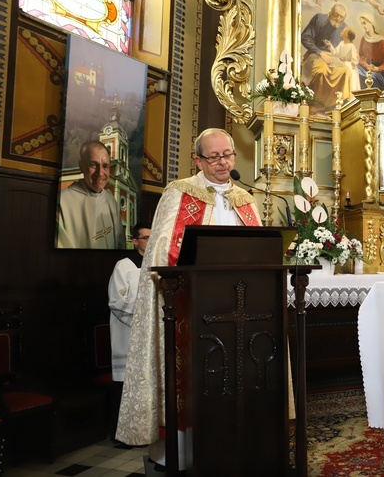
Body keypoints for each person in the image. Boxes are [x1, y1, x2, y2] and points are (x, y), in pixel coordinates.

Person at [115, 128, 262, 466]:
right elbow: (162, 252)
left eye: (227, 155)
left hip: (241, 307)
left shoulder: (246, 199)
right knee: (192, 382)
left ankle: (237, 446)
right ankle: (182, 458)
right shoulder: (180, 194)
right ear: (198, 160)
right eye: (214, 156)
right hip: (191, 309)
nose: (223, 162)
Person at [106, 222, 151, 441]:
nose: (150, 242)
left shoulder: (159, 264)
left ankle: (144, 431)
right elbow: (115, 300)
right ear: (134, 241)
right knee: (126, 384)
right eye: (145, 238)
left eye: (153, 238)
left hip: (152, 333)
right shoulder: (124, 266)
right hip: (129, 331)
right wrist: (141, 317)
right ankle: (122, 434)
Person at [57, 140, 125, 249]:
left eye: (105, 166)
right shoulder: (62, 202)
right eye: (93, 165)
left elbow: (121, 244)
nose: (100, 173)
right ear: (81, 166)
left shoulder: (111, 200)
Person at [301, 3, 353, 111]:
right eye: (336, 15)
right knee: (321, 72)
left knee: (346, 72)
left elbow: (345, 48)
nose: (338, 19)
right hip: (316, 54)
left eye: (341, 17)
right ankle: (316, 104)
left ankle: (338, 105)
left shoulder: (344, 27)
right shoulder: (319, 19)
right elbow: (305, 38)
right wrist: (320, 53)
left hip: (334, 58)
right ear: (330, 13)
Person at [357, 13, 384, 90]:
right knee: (355, 70)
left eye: (364, 23)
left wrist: (377, 69)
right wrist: (366, 66)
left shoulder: (382, 41)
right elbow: (361, 57)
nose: (363, 26)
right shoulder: (364, 39)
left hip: (380, 72)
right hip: (366, 68)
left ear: (371, 23)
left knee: (372, 77)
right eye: (362, 24)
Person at [323, 26, 360, 91]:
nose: (341, 32)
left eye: (343, 31)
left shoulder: (351, 46)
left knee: (350, 79)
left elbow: (355, 58)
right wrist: (330, 45)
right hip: (340, 63)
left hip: (349, 65)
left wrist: (353, 62)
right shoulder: (341, 43)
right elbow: (335, 53)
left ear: (347, 35)